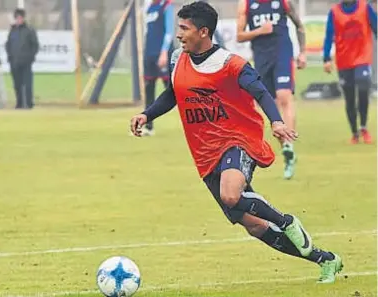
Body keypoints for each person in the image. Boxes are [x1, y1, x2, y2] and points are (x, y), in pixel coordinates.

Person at [130, 1, 343, 284]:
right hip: (204, 154)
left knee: (231, 194)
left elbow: (262, 92)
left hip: (237, 139)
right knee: (254, 227)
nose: (179, 34)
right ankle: (325, 259)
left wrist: (277, 121)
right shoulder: (176, 60)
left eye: (184, 28)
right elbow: (173, 94)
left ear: (203, 31)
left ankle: (286, 222)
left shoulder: (231, 64)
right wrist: (147, 114)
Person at [236, 0, 306, 180]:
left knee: (284, 96)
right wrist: (259, 31)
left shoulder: (283, 2)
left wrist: (303, 52)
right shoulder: (245, 4)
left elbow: (299, 25)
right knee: (270, 106)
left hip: (282, 54)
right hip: (262, 59)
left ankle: (289, 144)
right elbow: (239, 35)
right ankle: (286, 149)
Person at [323, 0, 377, 144]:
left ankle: (364, 126)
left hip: (362, 58)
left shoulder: (365, 7)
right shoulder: (334, 12)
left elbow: (376, 28)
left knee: (364, 87)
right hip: (344, 61)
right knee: (349, 97)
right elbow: (328, 36)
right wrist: (326, 58)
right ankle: (354, 132)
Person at [142, 0, 175, 136]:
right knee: (149, 88)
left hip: (162, 54)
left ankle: (198, 119)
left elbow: (169, 31)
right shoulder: (150, 7)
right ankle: (148, 126)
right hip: (149, 53)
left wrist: (164, 53)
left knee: (173, 91)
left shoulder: (167, 5)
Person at [5, 8, 39, 109]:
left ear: (23, 18)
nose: (18, 20)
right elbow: (8, 44)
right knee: (17, 84)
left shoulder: (29, 30)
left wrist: (30, 57)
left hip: (26, 61)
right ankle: (19, 103)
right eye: (17, 18)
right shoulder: (12, 30)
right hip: (14, 61)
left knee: (27, 84)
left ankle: (28, 103)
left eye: (20, 18)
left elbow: (35, 45)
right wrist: (10, 56)